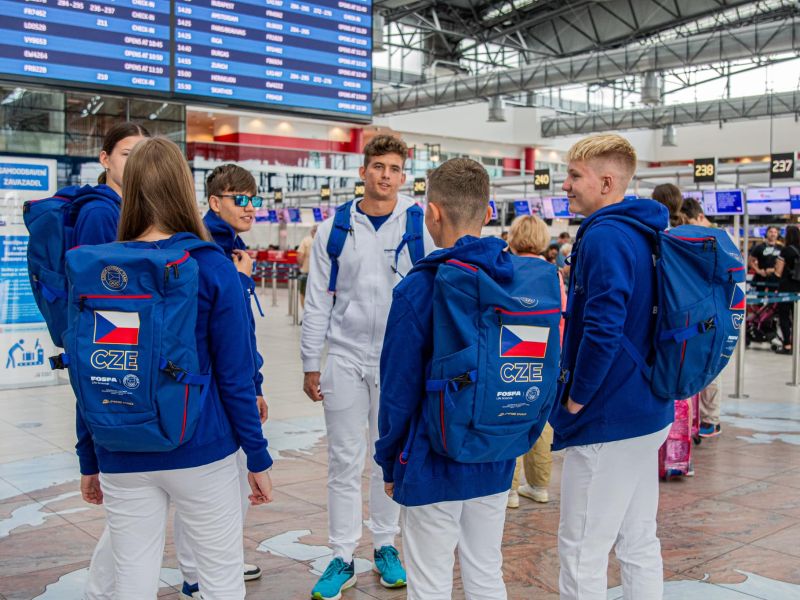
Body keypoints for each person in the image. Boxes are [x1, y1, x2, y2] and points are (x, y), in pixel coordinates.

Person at [76, 137, 273, 600]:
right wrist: (258, 456)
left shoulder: (104, 270)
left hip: (121, 450)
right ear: (186, 191)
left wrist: (89, 454)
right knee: (221, 580)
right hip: (202, 450)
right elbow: (235, 375)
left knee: (132, 581)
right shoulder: (212, 266)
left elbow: (91, 372)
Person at [301, 135, 433, 600]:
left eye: (394, 168)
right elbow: (317, 298)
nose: (385, 175)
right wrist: (309, 361)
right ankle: (340, 555)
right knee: (342, 459)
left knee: (387, 456)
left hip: (398, 360)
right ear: (363, 171)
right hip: (344, 354)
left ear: (403, 176)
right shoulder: (334, 227)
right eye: (377, 166)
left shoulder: (420, 224)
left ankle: (384, 544)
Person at [375, 158, 513, 600]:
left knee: (430, 581)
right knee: (486, 570)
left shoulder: (419, 288)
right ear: (488, 211)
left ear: (432, 213)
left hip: (432, 455)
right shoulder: (514, 281)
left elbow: (397, 390)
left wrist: (388, 457)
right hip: (496, 453)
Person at [551, 134, 673, 600]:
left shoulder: (604, 235)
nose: (565, 185)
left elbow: (603, 328)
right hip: (649, 407)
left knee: (582, 549)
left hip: (608, 415)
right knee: (639, 539)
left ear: (606, 182)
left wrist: (577, 398)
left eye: (574, 175)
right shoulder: (647, 231)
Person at [172, 164, 270, 598]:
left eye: (253, 199)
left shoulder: (229, 245)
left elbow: (243, 333)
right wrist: (241, 279)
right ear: (214, 202)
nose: (250, 207)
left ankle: (203, 568)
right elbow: (226, 333)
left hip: (217, 383)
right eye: (239, 199)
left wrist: (258, 382)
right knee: (215, 491)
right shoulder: (212, 251)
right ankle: (202, 573)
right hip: (211, 388)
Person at [504, 215, 563, 509]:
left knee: (510, 415)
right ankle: (539, 486)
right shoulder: (554, 274)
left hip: (511, 349)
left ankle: (510, 489)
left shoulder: (505, 268)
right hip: (547, 354)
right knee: (541, 419)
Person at [680, 197, 724, 437]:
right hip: (701, 309)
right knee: (700, 361)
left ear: (699, 217)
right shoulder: (700, 239)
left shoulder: (720, 238)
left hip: (717, 310)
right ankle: (700, 417)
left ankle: (711, 419)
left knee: (712, 363)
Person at [774, 225, 800, 355]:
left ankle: (788, 345)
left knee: (784, 317)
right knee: (798, 317)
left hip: (786, 288)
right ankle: (797, 344)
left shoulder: (785, 251)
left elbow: (778, 272)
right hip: (799, 289)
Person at [749, 225, 782, 292]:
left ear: (777, 234)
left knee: (772, 299)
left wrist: (774, 270)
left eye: (775, 232)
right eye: (771, 232)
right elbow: (750, 261)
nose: (773, 234)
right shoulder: (759, 247)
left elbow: (784, 264)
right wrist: (758, 271)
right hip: (761, 276)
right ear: (766, 233)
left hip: (775, 277)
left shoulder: (781, 248)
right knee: (759, 299)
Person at [297, 225, 317, 308]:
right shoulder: (325, 240)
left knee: (303, 294)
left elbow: (300, 256)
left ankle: (305, 314)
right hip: (320, 275)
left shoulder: (306, 240)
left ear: (311, 232)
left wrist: (300, 264)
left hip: (306, 272)